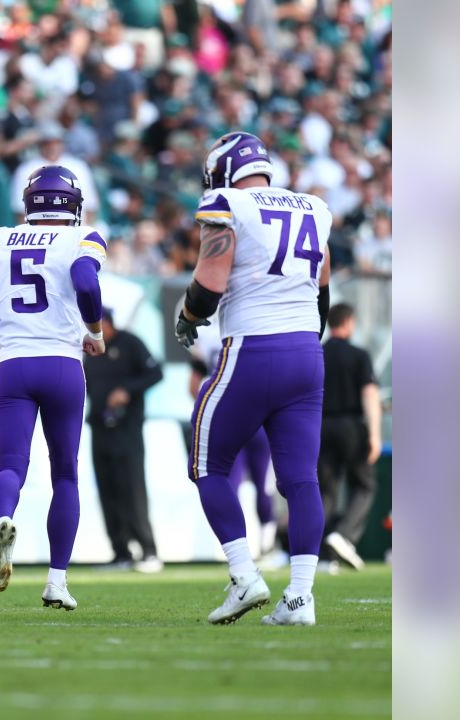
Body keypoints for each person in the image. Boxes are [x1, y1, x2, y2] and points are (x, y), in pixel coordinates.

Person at [176, 131, 332, 626]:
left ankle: (244, 576)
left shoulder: (228, 203)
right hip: (307, 350)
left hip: (252, 346)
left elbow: (210, 281)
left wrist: (186, 314)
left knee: (206, 462)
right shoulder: (312, 206)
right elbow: (323, 291)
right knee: (301, 478)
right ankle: (301, 598)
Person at [0, 165, 108, 610]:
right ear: (72, 205)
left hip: (15, 365)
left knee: (11, 466)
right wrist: (94, 330)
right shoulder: (82, 237)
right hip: (62, 363)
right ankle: (57, 581)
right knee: (65, 472)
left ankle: (3, 518)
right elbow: (86, 282)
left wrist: (8, 321)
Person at [188, 310, 277, 558]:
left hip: (224, 416)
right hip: (257, 415)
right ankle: (267, 543)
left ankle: (237, 549)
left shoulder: (205, 335)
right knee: (263, 483)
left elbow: (194, 386)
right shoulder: (255, 325)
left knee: (228, 482)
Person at [83, 308, 164, 571]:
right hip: (99, 427)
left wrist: (127, 391)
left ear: (107, 322)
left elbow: (155, 373)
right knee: (108, 490)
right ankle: (120, 552)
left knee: (132, 488)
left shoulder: (130, 343)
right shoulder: (89, 352)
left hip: (127, 428)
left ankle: (149, 550)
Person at [318, 303, 382, 570]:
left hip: (320, 426)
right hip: (350, 425)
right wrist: (375, 434)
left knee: (325, 491)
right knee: (364, 485)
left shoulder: (317, 353)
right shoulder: (358, 355)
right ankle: (343, 536)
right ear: (349, 322)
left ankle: (322, 555)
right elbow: (369, 394)